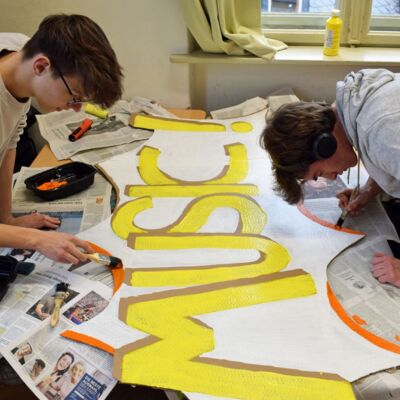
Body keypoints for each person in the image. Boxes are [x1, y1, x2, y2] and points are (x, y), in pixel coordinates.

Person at [0, 14, 123, 264]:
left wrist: (6, 220)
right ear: (41, 67)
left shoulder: (23, 51)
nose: (76, 109)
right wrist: (35, 240)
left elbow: (10, 141)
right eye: (74, 96)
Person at [261, 68, 400, 288]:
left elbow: (389, 146)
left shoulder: (382, 133)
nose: (332, 178)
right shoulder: (357, 105)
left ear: (325, 145)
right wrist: (369, 190)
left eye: (319, 173)